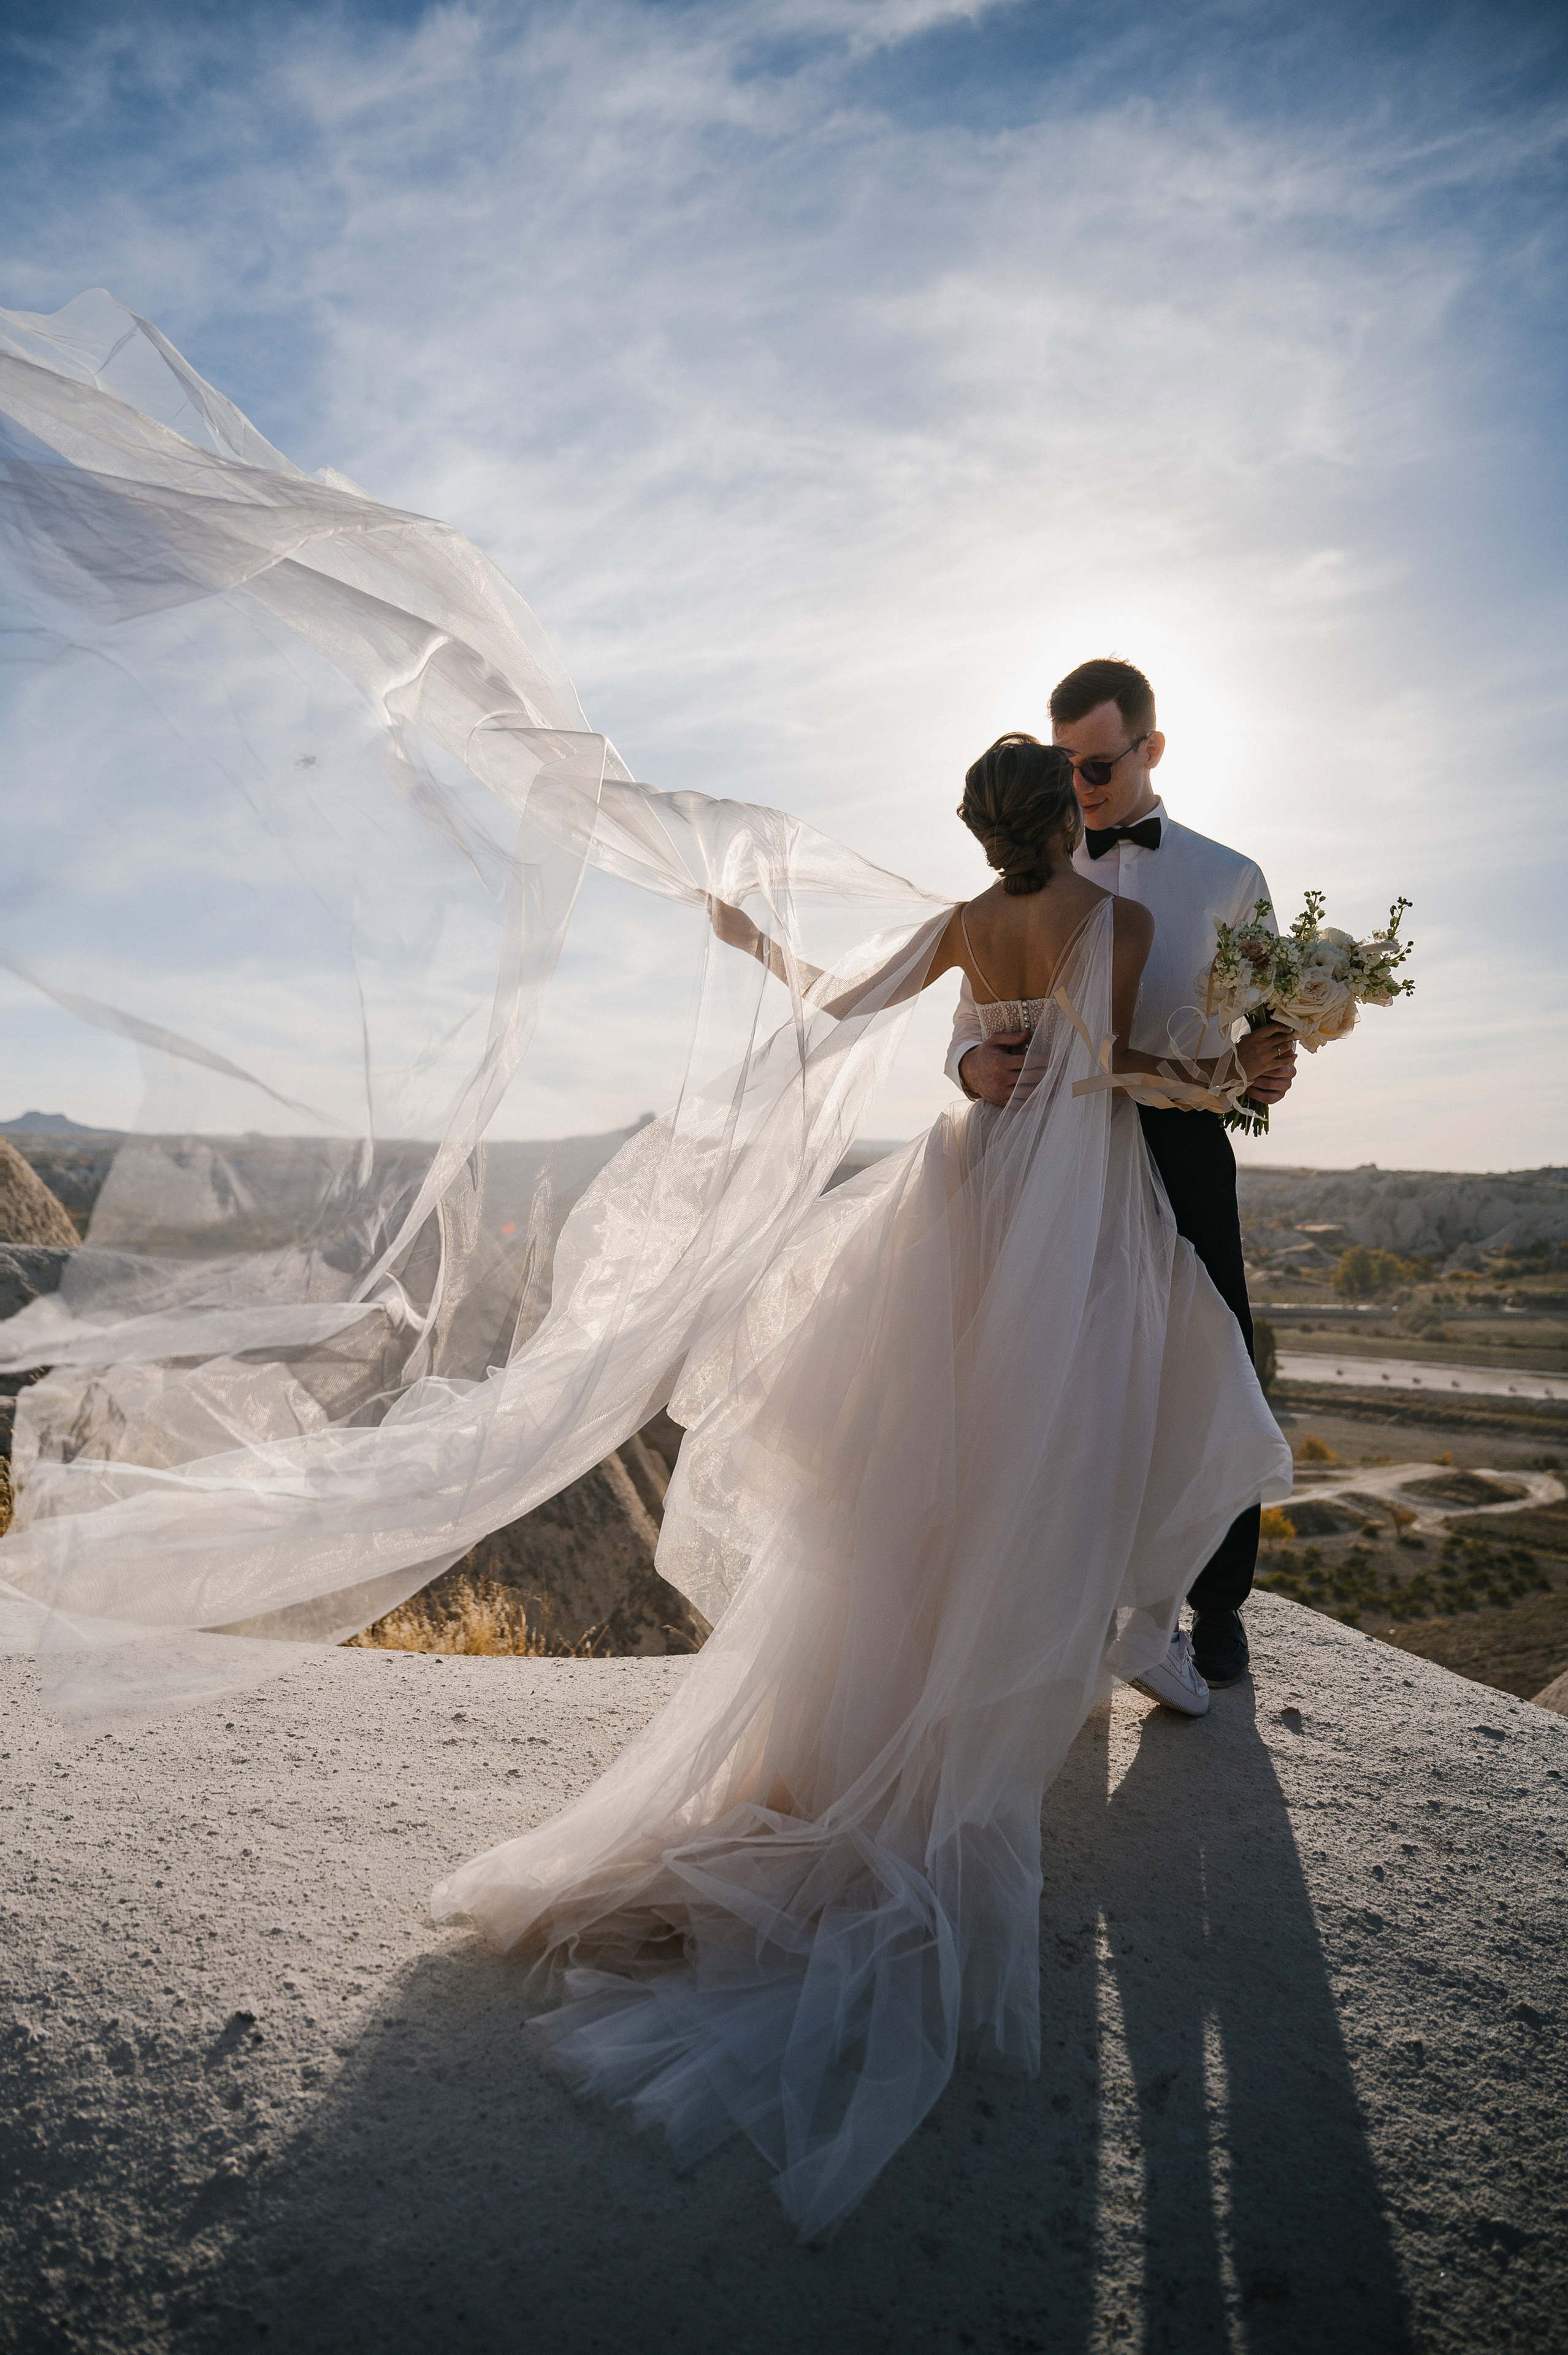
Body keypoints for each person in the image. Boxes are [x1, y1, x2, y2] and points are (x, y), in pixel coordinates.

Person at [433, 733, 1292, 2234]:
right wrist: (1227, 1076)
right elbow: (1114, 1070)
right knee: (1074, 1449)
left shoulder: (969, 923)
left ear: (977, 829)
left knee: (922, 1471)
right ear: (1058, 820)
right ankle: (1039, 1674)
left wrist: (744, 934)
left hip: (963, 1195)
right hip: (1069, 1215)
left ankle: (909, 1706)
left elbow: (840, 1003)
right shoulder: (1119, 921)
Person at [945, 661, 1296, 1693]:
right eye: (1065, 768)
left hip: (1179, 1146)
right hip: (1050, 1151)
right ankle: (1076, 1602)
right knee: (1063, 1378)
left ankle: (1216, 1606)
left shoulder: (1233, 879)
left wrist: (1271, 1063)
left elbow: (1265, 1033)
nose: (1081, 786)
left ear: (1151, 749)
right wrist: (976, 1068)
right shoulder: (1029, 871)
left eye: (1096, 764)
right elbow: (968, 1025)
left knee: (1213, 1354)